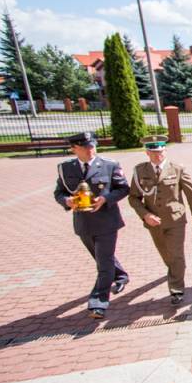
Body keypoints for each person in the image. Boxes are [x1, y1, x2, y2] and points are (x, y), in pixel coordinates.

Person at [53, 132, 130, 319]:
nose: (90, 150)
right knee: (102, 257)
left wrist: (106, 198)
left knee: (104, 262)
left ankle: (98, 303)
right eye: (85, 147)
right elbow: (59, 192)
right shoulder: (65, 168)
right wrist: (67, 201)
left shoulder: (109, 165)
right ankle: (121, 276)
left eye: (92, 146)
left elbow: (123, 188)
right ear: (74, 149)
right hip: (83, 223)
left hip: (106, 222)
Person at [128, 135, 192, 305]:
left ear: (165, 151)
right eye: (154, 152)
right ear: (147, 153)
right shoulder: (140, 171)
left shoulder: (177, 169)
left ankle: (176, 289)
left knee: (176, 254)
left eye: (160, 151)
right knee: (166, 254)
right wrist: (145, 215)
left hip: (175, 219)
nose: (158, 155)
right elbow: (133, 198)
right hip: (153, 221)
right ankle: (175, 271)